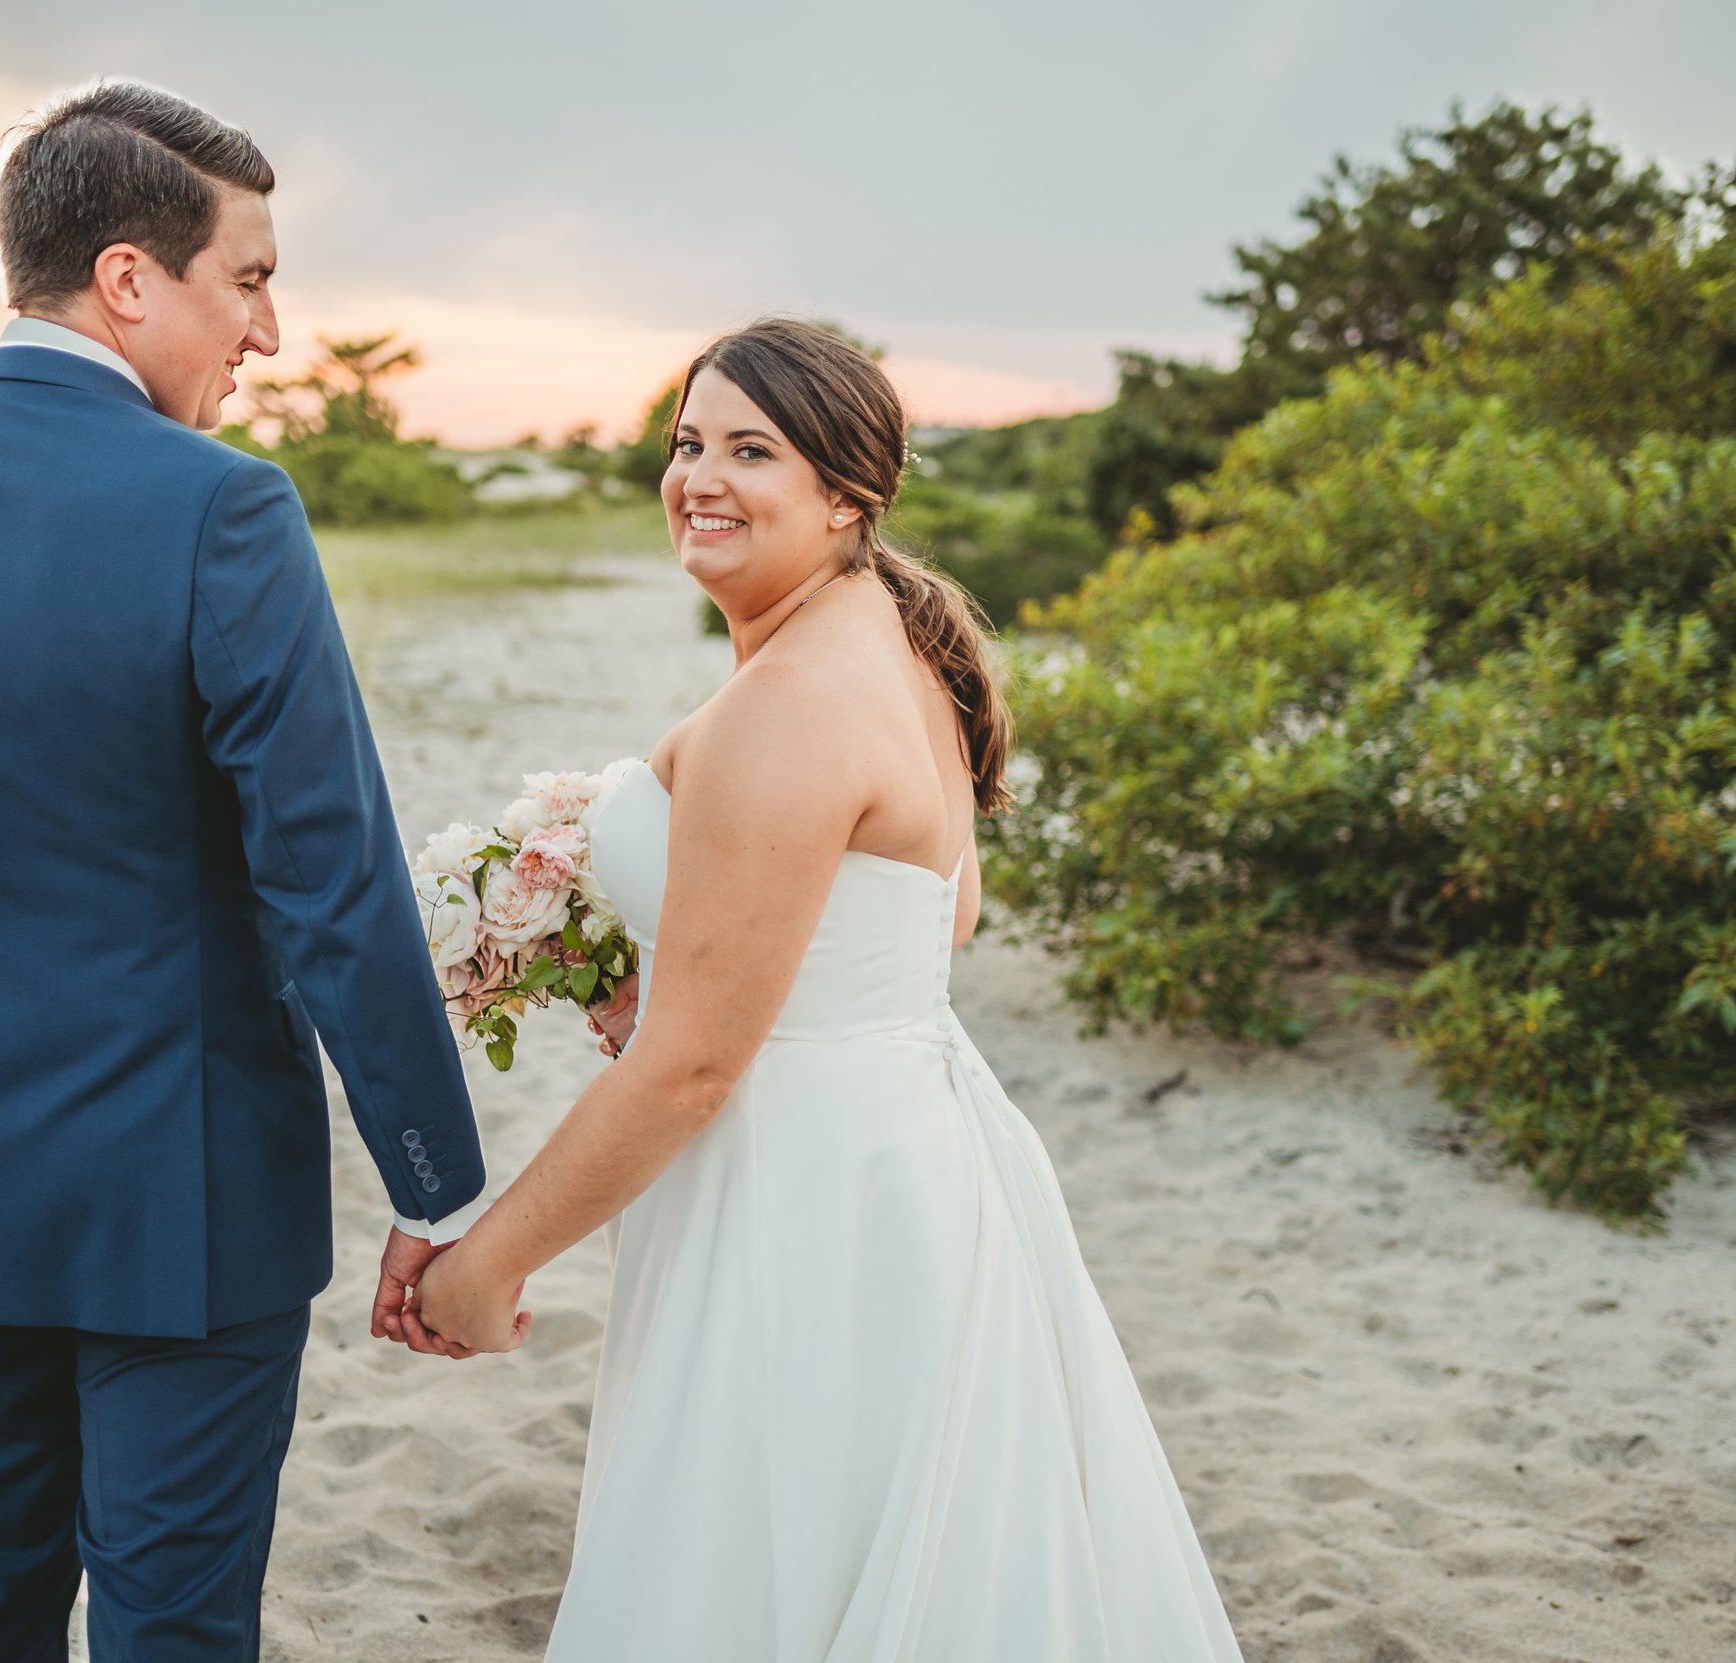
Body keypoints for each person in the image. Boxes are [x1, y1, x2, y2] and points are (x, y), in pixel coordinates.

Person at [0, 81, 489, 1660]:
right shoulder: (224, 507)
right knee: (174, 1625)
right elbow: (331, 880)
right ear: (126, 278)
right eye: (251, 279)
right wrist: (437, 1181)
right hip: (190, 1198)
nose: (271, 334)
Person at [412, 319, 1247, 1659]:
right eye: (689, 442)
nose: (701, 478)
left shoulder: (792, 697)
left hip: (795, 1191)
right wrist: (685, 962)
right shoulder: (904, 644)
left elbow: (693, 1068)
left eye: (753, 451)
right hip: (911, 1157)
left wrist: (487, 1264)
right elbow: (942, 913)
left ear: (846, 494)